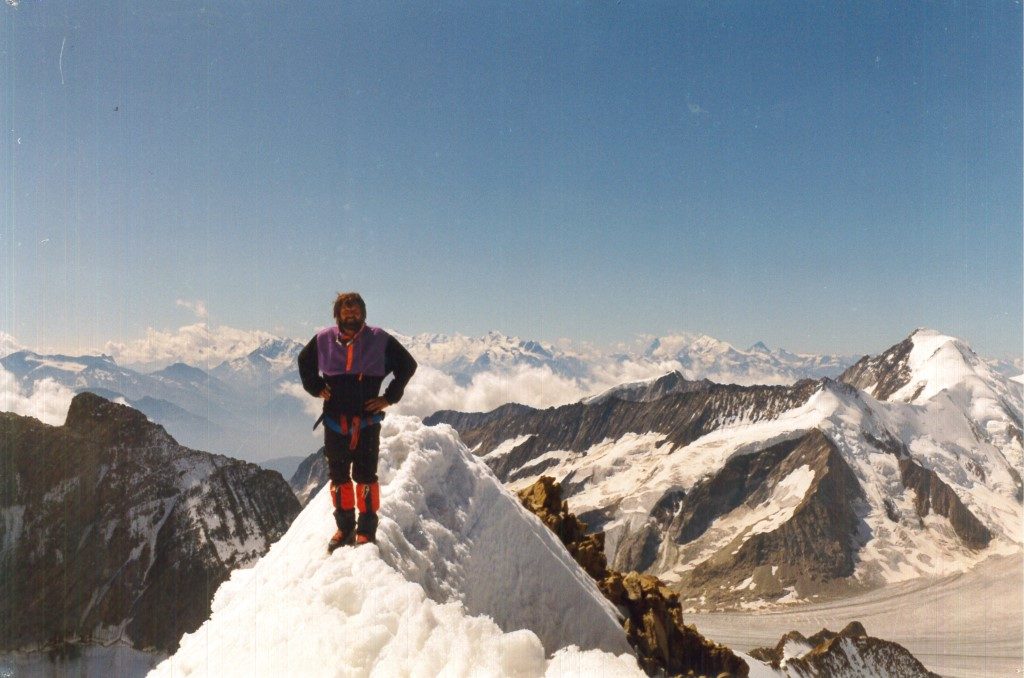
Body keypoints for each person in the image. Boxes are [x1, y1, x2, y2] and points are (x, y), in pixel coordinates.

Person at [298, 292, 417, 551]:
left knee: (365, 478)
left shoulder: (379, 339)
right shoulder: (324, 339)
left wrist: (389, 397)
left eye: (355, 312)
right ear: (338, 316)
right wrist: (315, 386)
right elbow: (304, 362)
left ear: (363, 313)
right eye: (345, 312)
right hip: (334, 422)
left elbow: (407, 365)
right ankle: (344, 527)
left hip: (366, 423)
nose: (351, 316)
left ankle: (366, 530)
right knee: (339, 478)